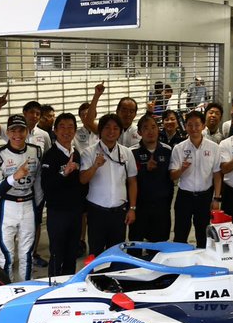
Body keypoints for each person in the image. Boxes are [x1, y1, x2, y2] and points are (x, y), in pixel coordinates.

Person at [0, 114, 43, 281]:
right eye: (13, 130)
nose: (17, 135)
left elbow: (39, 182)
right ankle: (6, 293)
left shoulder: (36, 151)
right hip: (7, 207)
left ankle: (25, 290)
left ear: (27, 131)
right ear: (8, 132)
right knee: (7, 256)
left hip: (28, 206)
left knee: (27, 254)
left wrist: (38, 206)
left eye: (21, 130)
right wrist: (14, 177)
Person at [80, 113, 138, 254]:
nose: (111, 132)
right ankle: (96, 276)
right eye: (107, 128)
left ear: (120, 131)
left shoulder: (126, 153)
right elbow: (82, 179)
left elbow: (132, 181)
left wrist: (132, 208)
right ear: (100, 130)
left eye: (115, 128)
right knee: (96, 253)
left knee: (117, 253)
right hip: (96, 212)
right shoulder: (89, 152)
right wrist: (95, 166)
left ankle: (114, 276)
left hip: (119, 213)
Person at [40, 112, 86, 277]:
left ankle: (68, 287)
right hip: (57, 213)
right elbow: (46, 186)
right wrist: (63, 173)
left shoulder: (76, 153)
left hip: (75, 213)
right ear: (55, 130)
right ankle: (53, 289)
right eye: (62, 127)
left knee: (71, 254)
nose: (66, 131)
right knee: (56, 253)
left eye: (70, 127)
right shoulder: (50, 156)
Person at [171, 110, 219, 247]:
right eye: (190, 125)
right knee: (180, 233)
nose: (194, 128)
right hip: (184, 196)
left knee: (203, 234)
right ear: (185, 126)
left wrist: (217, 198)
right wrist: (182, 169)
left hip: (205, 196)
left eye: (197, 125)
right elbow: (172, 176)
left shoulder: (214, 148)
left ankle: (202, 263)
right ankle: (179, 263)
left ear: (203, 126)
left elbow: (217, 174)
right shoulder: (179, 148)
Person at [130, 115, 173, 241]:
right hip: (140, 206)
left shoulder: (167, 150)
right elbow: (129, 180)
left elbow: (171, 177)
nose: (150, 131)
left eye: (153, 127)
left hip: (162, 207)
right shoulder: (132, 152)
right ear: (139, 132)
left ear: (158, 129)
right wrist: (144, 169)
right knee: (136, 245)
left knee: (158, 246)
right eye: (146, 128)